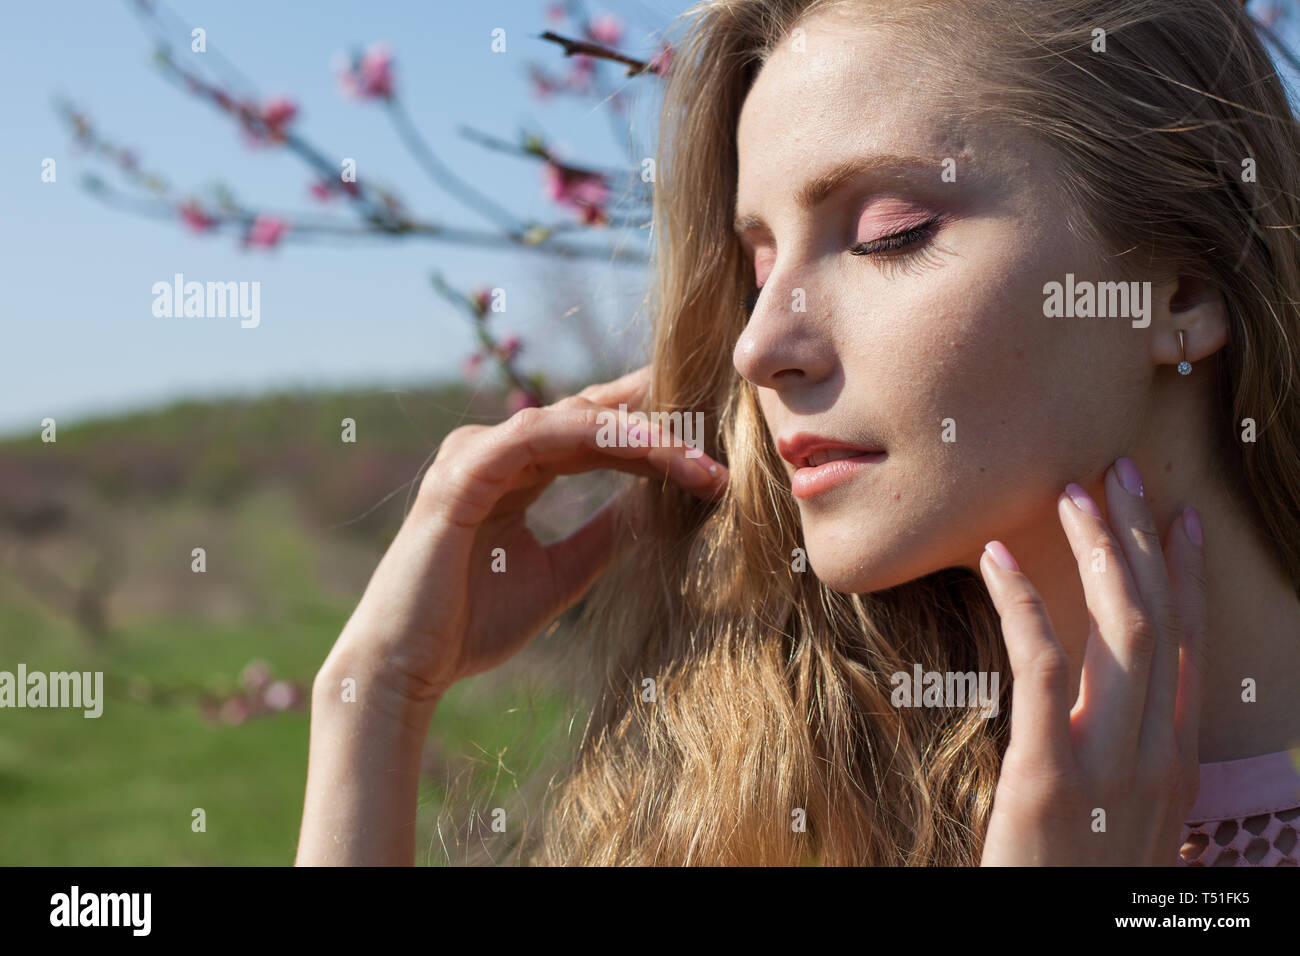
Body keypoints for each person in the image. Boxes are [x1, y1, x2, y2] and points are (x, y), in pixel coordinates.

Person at [296, 0, 1300, 866]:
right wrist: (372, 699)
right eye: (758, 263)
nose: (759, 344)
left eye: (886, 233)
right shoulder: (789, 804)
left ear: (1177, 284)